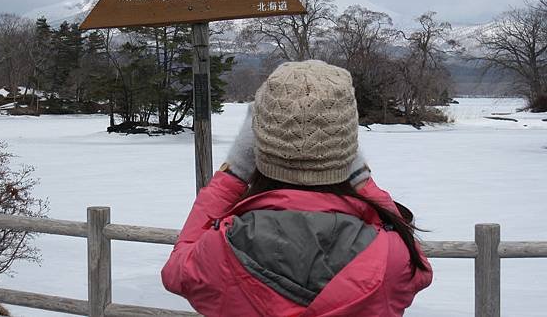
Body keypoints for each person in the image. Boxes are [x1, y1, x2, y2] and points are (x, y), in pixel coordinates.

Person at [161, 60, 432, 316]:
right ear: (347, 151)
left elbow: (176, 271)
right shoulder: (392, 258)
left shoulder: (220, 250)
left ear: (257, 148)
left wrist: (234, 171)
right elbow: (419, 268)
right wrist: (360, 176)